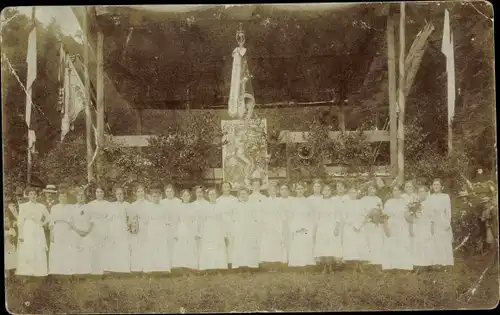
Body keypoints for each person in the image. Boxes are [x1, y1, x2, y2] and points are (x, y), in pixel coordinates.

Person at [16, 186, 51, 276]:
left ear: (37, 195)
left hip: (38, 229)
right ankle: (28, 271)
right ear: (27, 195)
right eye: (31, 194)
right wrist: (21, 234)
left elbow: (48, 217)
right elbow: (20, 221)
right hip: (27, 228)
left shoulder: (41, 206)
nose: (33, 196)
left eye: (34, 194)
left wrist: (41, 224)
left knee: (38, 247)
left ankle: (39, 271)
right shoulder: (23, 206)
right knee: (29, 248)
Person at [382, 185, 413, 271]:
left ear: (401, 192)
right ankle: (390, 266)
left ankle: (403, 266)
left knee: (402, 244)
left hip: (402, 225)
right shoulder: (388, 202)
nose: (396, 192)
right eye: (394, 190)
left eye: (398, 190)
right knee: (391, 244)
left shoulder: (405, 202)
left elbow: (408, 216)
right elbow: (384, 217)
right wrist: (386, 228)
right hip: (391, 225)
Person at [198, 188, 229, 272]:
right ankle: (209, 266)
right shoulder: (205, 206)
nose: (212, 196)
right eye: (210, 194)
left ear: (216, 195)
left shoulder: (221, 206)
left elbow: (224, 220)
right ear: (208, 196)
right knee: (209, 246)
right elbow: (202, 220)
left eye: (214, 194)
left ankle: (219, 266)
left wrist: (225, 233)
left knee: (218, 246)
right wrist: (201, 232)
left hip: (218, 228)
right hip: (208, 228)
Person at [258, 181, 287, 270]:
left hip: (277, 224)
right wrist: (264, 224)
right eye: (270, 190)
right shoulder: (265, 201)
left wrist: (281, 224)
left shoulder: (280, 201)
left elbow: (283, 214)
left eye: (274, 190)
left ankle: (276, 265)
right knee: (269, 245)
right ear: (268, 192)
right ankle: (270, 265)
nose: (272, 192)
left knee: (277, 244)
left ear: (276, 191)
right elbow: (262, 214)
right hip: (268, 225)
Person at [287, 181, 316, 269]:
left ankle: (306, 262)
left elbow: (311, 215)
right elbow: (290, 216)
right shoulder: (292, 201)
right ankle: (296, 262)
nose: (299, 190)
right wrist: (292, 227)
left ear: (304, 190)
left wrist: (309, 227)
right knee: (297, 242)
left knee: (306, 242)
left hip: (306, 224)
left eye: (301, 189)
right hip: (296, 223)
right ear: (295, 190)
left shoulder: (308, 201)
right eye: (298, 189)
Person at [143, 185, 171, 273]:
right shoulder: (148, 207)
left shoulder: (164, 207)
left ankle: (163, 268)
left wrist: (165, 227)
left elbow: (167, 219)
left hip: (161, 227)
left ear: (160, 197)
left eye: (157, 196)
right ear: (151, 197)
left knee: (161, 246)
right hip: (152, 227)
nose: (156, 198)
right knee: (152, 246)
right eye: (154, 196)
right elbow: (146, 220)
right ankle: (151, 268)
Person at [231, 187, 260, 271]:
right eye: (241, 194)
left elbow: (256, 217)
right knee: (240, 244)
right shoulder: (236, 205)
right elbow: (234, 217)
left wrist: (254, 225)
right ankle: (240, 264)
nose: (243, 195)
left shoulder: (252, 204)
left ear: (248, 195)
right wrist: (237, 225)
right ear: (238, 196)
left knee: (250, 244)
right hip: (240, 227)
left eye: (244, 194)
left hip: (250, 227)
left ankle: (251, 263)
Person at [342, 184, 370, 270]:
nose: (352, 194)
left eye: (354, 192)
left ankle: (360, 264)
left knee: (360, 244)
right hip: (349, 227)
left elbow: (365, 215)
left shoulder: (361, 203)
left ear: (357, 194)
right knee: (351, 246)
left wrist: (358, 225)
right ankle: (353, 265)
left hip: (359, 227)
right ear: (348, 194)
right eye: (350, 193)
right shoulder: (345, 203)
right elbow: (344, 217)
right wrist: (351, 224)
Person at [313, 183, 339, 273]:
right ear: (322, 192)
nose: (326, 192)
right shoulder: (319, 203)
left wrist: (336, 228)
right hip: (322, 226)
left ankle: (330, 266)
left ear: (331, 192)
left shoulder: (334, 202)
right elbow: (316, 218)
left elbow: (337, 217)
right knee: (323, 246)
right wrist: (316, 229)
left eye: (328, 190)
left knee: (331, 246)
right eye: (325, 190)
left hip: (331, 226)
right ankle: (324, 267)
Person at [105, 186, 132, 273]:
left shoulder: (127, 205)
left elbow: (131, 218)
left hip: (124, 229)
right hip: (114, 229)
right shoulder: (111, 205)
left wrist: (129, 225)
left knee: (124, 247)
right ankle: (114, 268)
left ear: (124, 194)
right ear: (115, 195)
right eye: (118, 194)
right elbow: (108, 219)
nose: (119, 195)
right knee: (115, 248)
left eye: (121, 194)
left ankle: (124, 269)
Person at [428, 178, 454, 268]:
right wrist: (431, 220)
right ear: (432, 186)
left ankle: (445, 262)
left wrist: (448, 223)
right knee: (435, 241)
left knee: (444, 241)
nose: (436, 186)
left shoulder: (445, 196)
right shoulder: (430, 197)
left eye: (437, 184)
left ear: (441, 186)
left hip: (443, 220)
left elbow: (448, 210)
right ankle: (436, 262)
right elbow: (428, 211)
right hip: (433, 221)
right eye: (434, 185)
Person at [86, 185, 111, 275]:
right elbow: (87, 218)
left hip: (104, 227)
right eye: (97, 192)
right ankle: (94, 269)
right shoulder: (90, 204)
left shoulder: (108, 204)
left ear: (104, 193)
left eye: (101, 192)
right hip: (94, 228)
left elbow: (110, 218)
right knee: (94, 248)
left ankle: (105, 268)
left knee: (104, 247)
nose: (99, 194)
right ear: (95, 193)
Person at [48, 189, 75, 275]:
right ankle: (56, 270)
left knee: (67, 249)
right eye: (61, 196)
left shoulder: (71, 207)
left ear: (67, 197)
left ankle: (67, 270)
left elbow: (73, 220)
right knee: (57, 249)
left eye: (65, 196)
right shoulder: (54, 208)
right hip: (57, 229)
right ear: (58, 197)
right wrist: (51, 234)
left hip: (67, 229)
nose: (63, 198)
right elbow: (51, 222)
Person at [171, 189, 199, 271]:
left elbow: (195, 220)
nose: (186, 197)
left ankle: (190, 264)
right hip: (182, 227)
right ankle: (182, 264)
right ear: (181, 197)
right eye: (184, 195)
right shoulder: (178, 207)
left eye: (187, 195)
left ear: (190, 196)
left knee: (190, 245)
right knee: (182, 245)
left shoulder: (193, 206)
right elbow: (176, 221)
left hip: (191, 228)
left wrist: (195, 231)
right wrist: (175, 233)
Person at [360, 182, 385, 266]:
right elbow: (361, 211)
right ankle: (367, 261)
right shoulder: (363, 199)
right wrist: (368, 218)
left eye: (374, 189)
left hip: (376, 223)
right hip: (367, 222)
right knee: (366, 241)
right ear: (367, 189)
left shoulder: (378, 199)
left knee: (376, 241)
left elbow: (381, 211)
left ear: (376, 190)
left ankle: (376, 261)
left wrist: (377, 218)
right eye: (370, 188)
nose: (372, 190)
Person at [69, 187, 93, 275]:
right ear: (76, 196)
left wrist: (87, 232)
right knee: (76, 251)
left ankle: (86, 272)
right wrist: (78, 231)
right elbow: (70, 222)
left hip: (86, 233)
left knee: (86, 252)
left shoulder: (89, 207)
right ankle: (76, 272)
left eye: (83, 195)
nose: (81, 197)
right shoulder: (72, 208)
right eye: (79, 195)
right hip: (75, 232)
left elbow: (92, 221)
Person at [411, 185, 435, 271]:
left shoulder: (430, 204)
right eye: (419, 192)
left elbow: (432, 218)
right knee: (418, 244)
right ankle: (418, 265)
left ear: (426, 193)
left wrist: (432, 229)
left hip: (426, 226)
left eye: (422, 191)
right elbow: (412, 216)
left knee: (427, 244)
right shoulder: (415, 204)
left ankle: (428, 265)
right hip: (418, 226)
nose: (421, 193)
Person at [127, 183, 150, 273]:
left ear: (144, 192)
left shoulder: (148, 204)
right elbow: (131, 218)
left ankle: (146, 268)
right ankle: (137, 269)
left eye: (142, 191)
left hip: (146, 227)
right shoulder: (133, 205)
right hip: (137, 228)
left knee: (146, 247)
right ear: (135, 193)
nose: (140, 193)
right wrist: (133, 226)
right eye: (138, 191)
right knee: (137, 247)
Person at [216, 181, 238, 267]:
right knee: (223, 242)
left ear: (230, 188)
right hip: (221, 222)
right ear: (221, 189)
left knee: (232, 242)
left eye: (228, 187)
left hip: (231, 222)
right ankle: (223, 262)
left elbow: (236, 212)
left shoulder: (235, 199)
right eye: (224, 187)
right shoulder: (218, 200)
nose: (226, 189)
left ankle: (231, 262)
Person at [160, 183, 181, 267]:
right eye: (167, 191)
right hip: (165, 227)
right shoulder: (161, 202)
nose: (169, 193)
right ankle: (166, 265)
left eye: (171, 191)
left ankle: (175, 265)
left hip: (176, 226)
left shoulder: (178, 202)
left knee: (175, 245)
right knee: (166, 245)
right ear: (165, 192)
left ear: (174, 192)